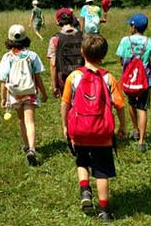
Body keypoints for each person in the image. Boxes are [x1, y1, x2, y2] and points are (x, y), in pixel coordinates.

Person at [61, 34, 126, 223]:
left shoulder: (74, 77)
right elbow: (120, 105)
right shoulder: (109, 78)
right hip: (103, 133)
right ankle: (104, 211)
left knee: (82, 162)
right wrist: (122, 126)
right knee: (102, 171)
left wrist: (65, 126)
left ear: (82, 52)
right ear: (104, 56)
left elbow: (65, 104)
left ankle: (85, 191)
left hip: (79, 131)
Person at [0, 24, 48, 166]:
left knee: (21, 120)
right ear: (26, 38)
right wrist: (44, 93)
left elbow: (3, 80)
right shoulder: (32, 56)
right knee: (30, 121)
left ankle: (26, 146)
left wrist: (3, 98)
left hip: (15, 94)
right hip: (30, 93)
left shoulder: (7, 57)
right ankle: (32, 148)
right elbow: (38, 77)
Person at [116, 13, 151, 152]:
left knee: (131, 103)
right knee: (143, 108)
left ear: (134, 26)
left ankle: (135, 129)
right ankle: (141, 142)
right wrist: (149, 69)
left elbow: (121, 61)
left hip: (129, 82)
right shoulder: (150, 43)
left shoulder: (125, 41)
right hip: (145, 82)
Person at [47, 8, 83, 98]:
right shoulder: (83, 36)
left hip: (63, 78)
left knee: (67, 106)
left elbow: (53, 64)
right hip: (82, 76)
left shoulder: (55, 39)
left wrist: (54, 86)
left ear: (58, 21)